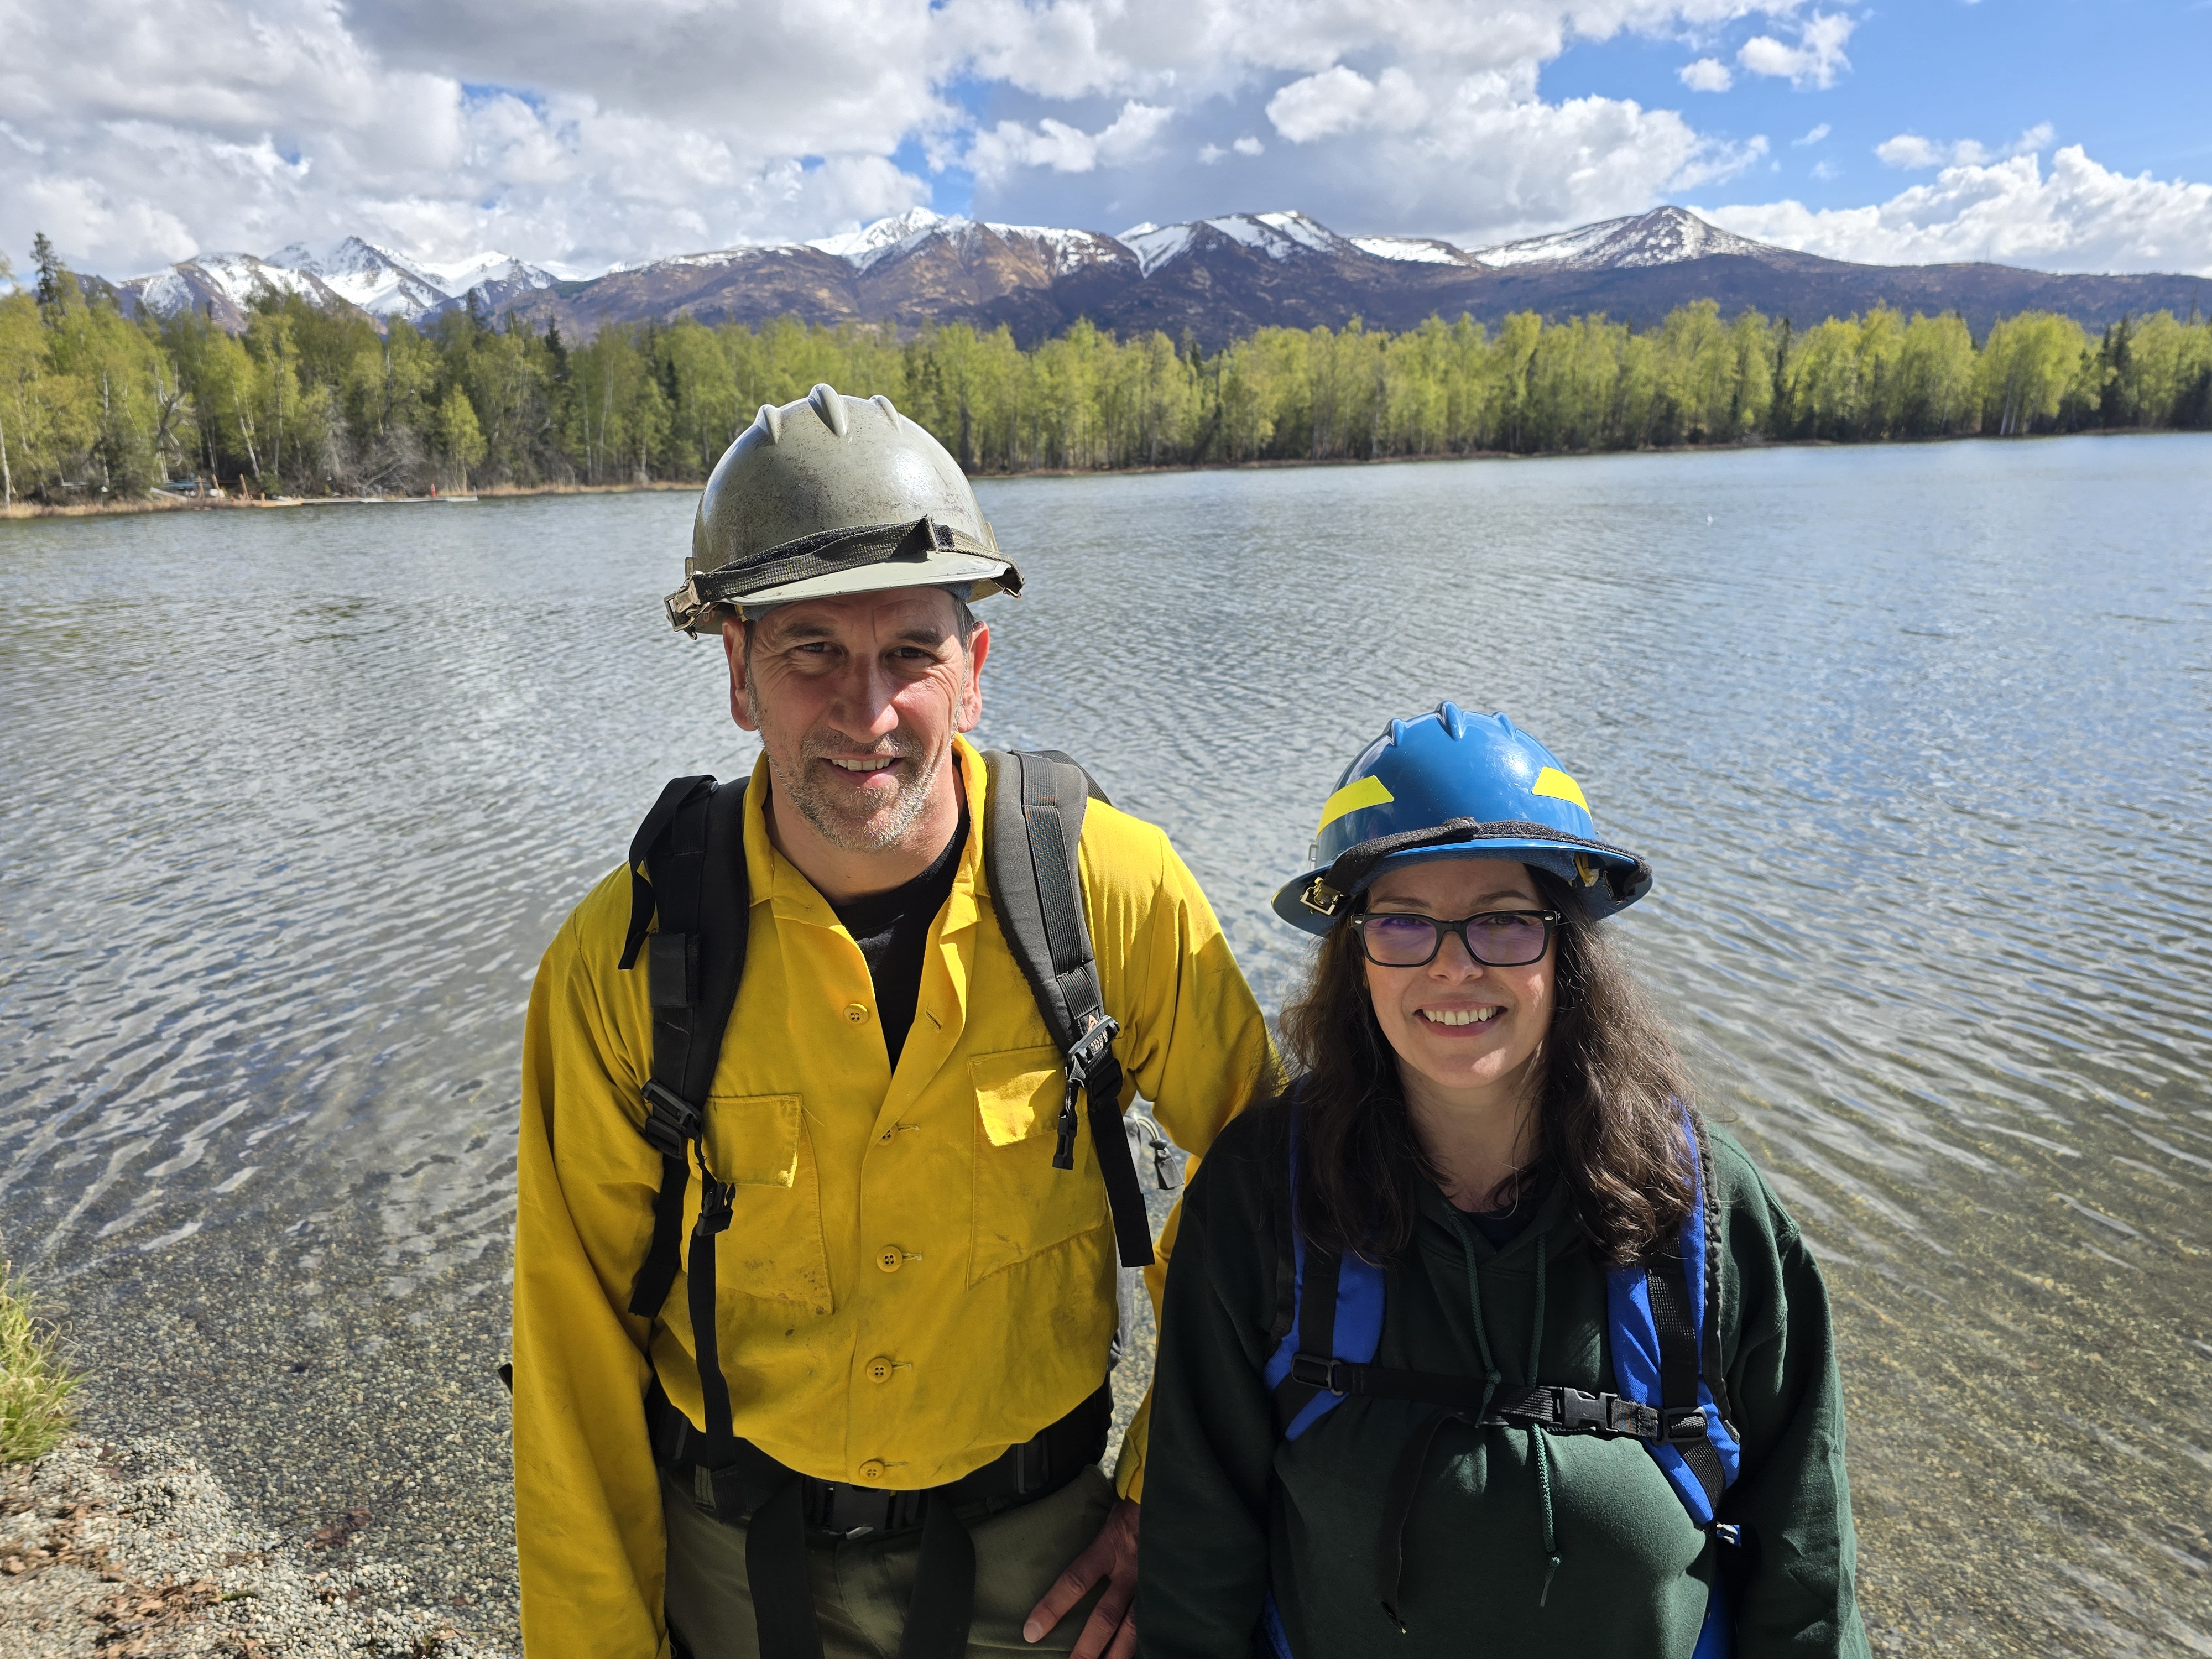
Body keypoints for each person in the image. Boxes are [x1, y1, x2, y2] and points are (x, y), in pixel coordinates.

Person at [512, 383, 1272, 1659]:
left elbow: (1273, 1190)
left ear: (971, 674)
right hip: (731, 1578)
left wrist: (1162, 1493)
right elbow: (571, 1348)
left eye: (909, 654)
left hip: (1045, 1577)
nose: (864, 713)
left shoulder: (1110, 893)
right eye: (810, 650)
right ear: (739, 675)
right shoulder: (624, 961)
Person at [1135, 703, 1869, 1658]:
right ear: (1353, 953)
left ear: (1568, 949)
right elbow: (1198, 1566)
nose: (1453, 967)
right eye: (1403, 923)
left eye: (1503, 922)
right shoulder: (1264, 1201)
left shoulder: (1709, 1220)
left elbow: (1806, 1581)